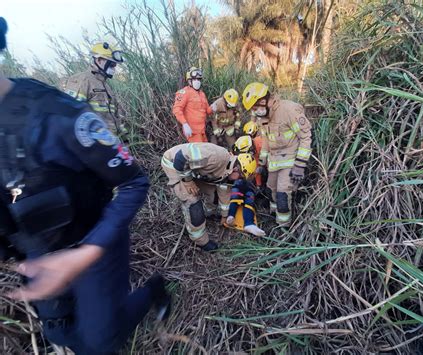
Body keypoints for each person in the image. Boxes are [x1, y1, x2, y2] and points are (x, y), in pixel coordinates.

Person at [0, 18, 170, 354]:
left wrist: (84, 255)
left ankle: (151, 292)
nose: (112, 68)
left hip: (89, 232)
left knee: (100, 343)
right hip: (36, 244)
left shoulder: (56, 114)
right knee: (60, 334)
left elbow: (132, 179)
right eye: (109, 62)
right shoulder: (81, 84)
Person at [161, 143, 255, 251]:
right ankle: (200, 240)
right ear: (236, 169)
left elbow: (224, 192)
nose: (237, 181)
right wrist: (188, 181)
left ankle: (210, 213)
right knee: (193, 202)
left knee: (210, 192)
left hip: (191, 169)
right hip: (174, 164)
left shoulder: (227, 170)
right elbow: (180, 158)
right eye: (240, 177)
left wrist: (224, 216)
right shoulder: (215, 157)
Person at [242, 82, 312, 226]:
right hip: (274, 161)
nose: (255, 113)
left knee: (282, 193)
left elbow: (306, 137)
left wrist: (300, 165)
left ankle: (284, 227)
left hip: (291, 159)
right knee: (271, 189)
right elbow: (267, 139)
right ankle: (273, 216)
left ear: (263, 101)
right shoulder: (264, 117)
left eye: (255, 108)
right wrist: (261, 162)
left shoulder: (288, 110)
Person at [63, 42, 126, 135]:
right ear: (99, 60)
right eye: (111, 64)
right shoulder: (82, 81)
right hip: (92, 145)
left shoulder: (107, 87)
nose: (114, 69)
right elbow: (71, 116)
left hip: (110, 143)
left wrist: (125, 142)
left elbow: (117, 117)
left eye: (115, 65)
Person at [225, 154, 266, 237]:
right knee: (236, 192)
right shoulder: (231, 163)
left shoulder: (251, 163)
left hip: (249, 188)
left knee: (249, 197)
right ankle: (231, 216)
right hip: (237, 187)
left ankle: (249, 224)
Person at [172, 67, 213, 143]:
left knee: (206, 152)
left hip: (202, 131)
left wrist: (214, 107)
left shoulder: (202, 94)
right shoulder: (184, 92)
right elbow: (176, 109)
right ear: (189, 81)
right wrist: (185, 124)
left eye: (198, 79)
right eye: (194, 79)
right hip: (192, 132)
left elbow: (207, 110)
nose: (197, 82)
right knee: (199, 153)